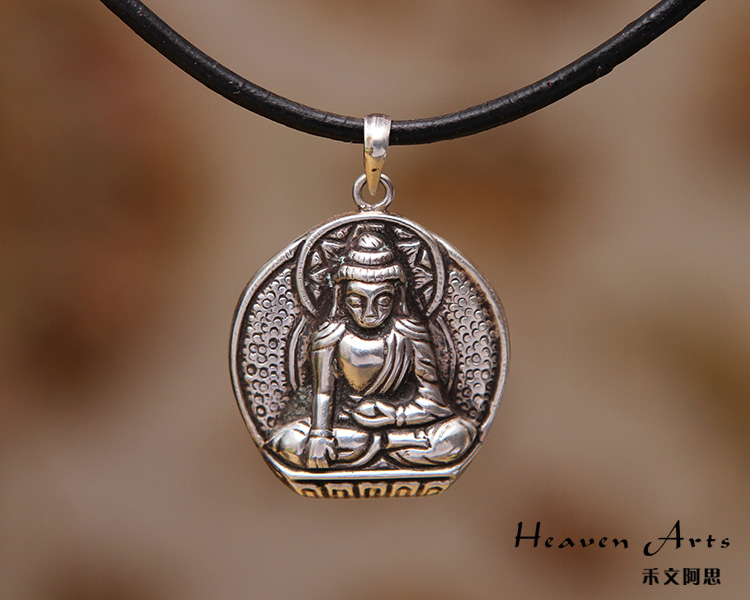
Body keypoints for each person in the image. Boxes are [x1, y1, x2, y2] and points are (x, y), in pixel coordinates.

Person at [270, 232, 476, 469]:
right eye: (357, 301)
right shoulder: (329, 335)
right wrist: (319, 436)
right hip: (345, 430)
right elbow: (323, 394)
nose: (370, 313)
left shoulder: (410, 333)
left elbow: (434, 404)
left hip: (396, 429)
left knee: (459, 435)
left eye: (383, 301)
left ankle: (380, 444)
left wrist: (394, 415)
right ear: (341, 296)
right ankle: (381, 447)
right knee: (289, 441)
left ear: (397, 297)